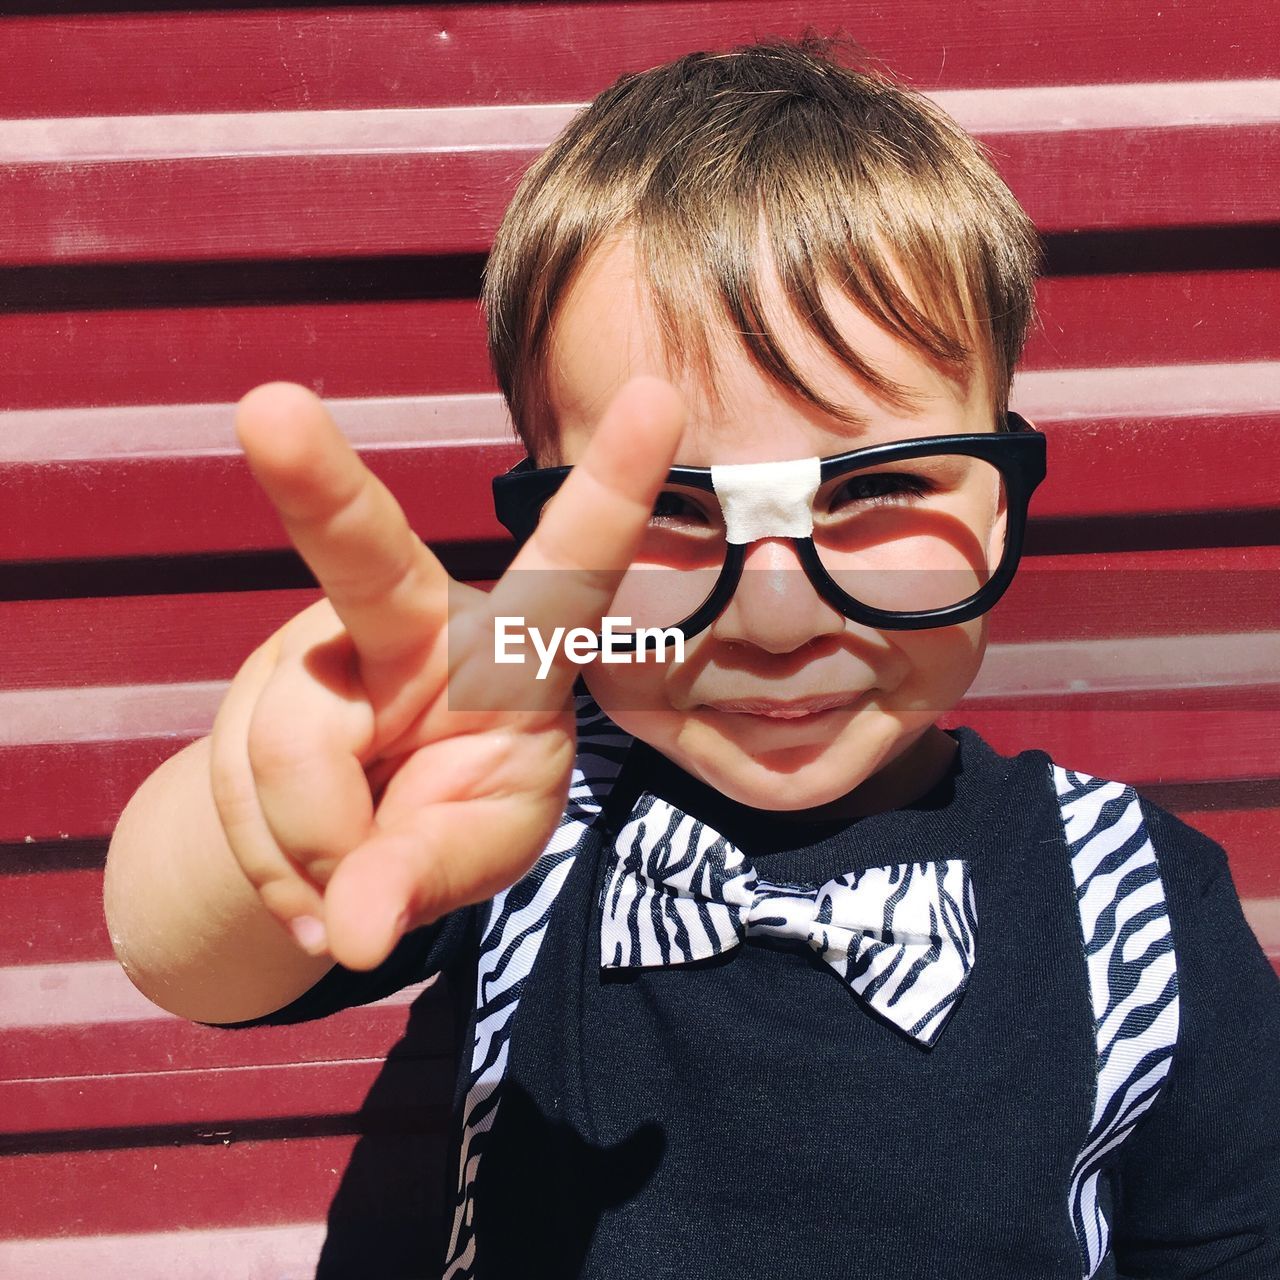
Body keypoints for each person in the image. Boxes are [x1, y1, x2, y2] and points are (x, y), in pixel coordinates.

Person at [103, 36, 1280, 1279]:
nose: (774, 616)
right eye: (666, 507)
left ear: (1000, 503)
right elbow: (189, 959)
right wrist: (286, 809)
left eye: (875, 488)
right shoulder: (517, 818)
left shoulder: (1136, 900)